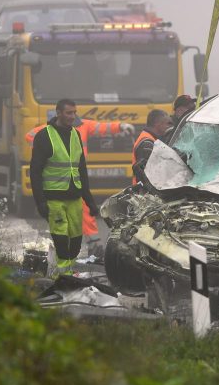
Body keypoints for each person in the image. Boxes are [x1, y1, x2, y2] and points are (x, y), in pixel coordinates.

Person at [26, 117, 133, 256]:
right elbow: (29, 136)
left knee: (82, 208)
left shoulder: (84, 125)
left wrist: (120, 126)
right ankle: (74, 246)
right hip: (60, 178)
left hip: (74, 174)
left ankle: (91, 244)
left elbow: (102, 127)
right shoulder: (52, 130)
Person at [30, 99, 99, 273]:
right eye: (69, 113)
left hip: (74, 197)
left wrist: (89, 201)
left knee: (76, 238)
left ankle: (69, 271)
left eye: (74, 112)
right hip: (54, 199)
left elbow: (81, 170)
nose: (72, 116)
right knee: (60, 237)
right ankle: (62, 274)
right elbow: (35, 172)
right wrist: (40, 202)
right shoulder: (44, 136)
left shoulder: (76, 134)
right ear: (58, 113)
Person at [132, 109, 172, 184]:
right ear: (158, 124)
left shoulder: (150, 139)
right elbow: (147, 174)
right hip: (144, 192)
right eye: (167, 124)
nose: (169, 127)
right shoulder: (147, 143)